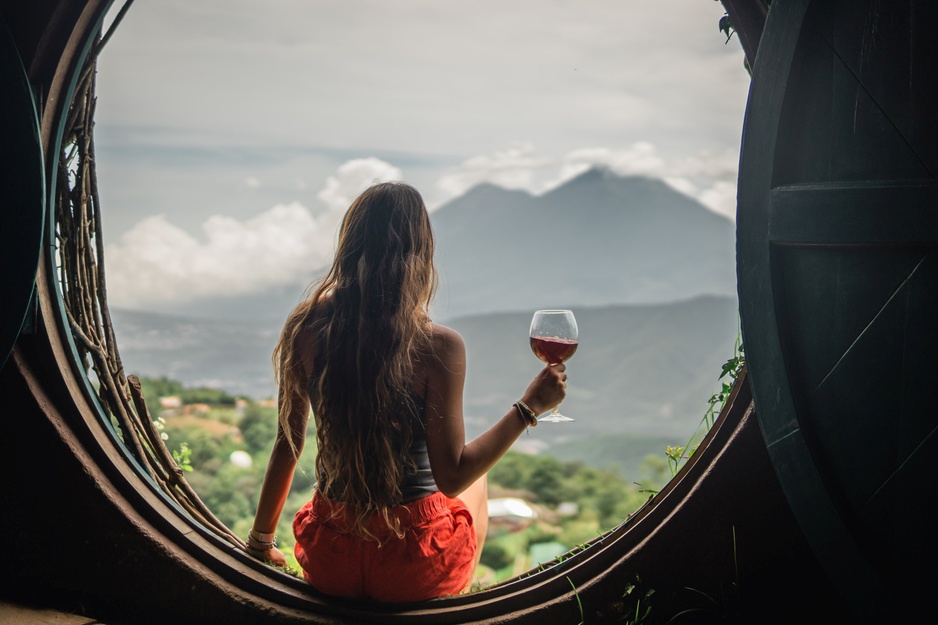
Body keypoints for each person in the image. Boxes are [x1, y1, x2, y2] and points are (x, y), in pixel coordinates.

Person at [246, 181, 567, 602]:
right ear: (420, 254)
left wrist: (260, 541)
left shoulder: (306, 327)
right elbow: (452, 477)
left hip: (332, 559)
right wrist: (529, 407)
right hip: (413, 568)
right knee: (478, 480)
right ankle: (452, 599)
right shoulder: (438, 346)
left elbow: (288, 445)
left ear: (349, 245)